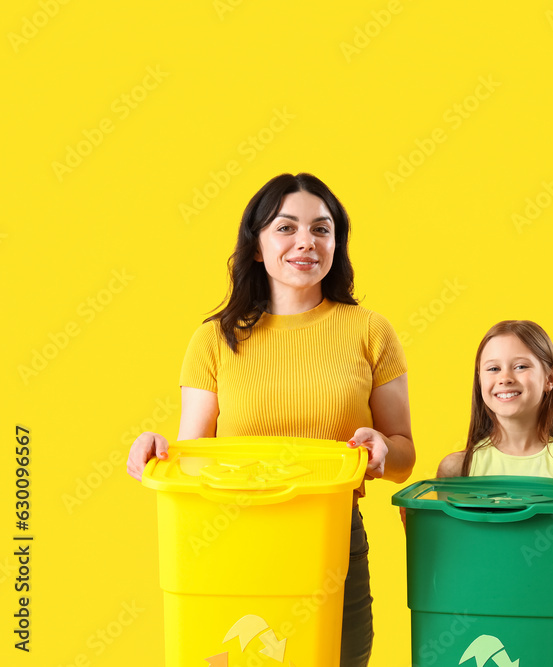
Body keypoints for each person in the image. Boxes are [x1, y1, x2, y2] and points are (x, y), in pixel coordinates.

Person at [125, 172, 415, 666]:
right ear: (257, 247)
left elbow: (405, 455)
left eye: (322, 229)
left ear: (336, 244)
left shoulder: (371, 332)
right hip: (234, 540)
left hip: (330, 541)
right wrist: (158, 449)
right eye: (286, 228)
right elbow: (193, 454)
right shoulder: (214, 339)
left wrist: (383, 452)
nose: (306, 241)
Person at [437, 320, 553, 604]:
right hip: (479, 634)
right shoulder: (456, 470)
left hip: (552, 636)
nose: (505, 377)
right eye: (493, 368)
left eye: (520, 366)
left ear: (549, 379)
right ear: (480, 380)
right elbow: (445, 573)